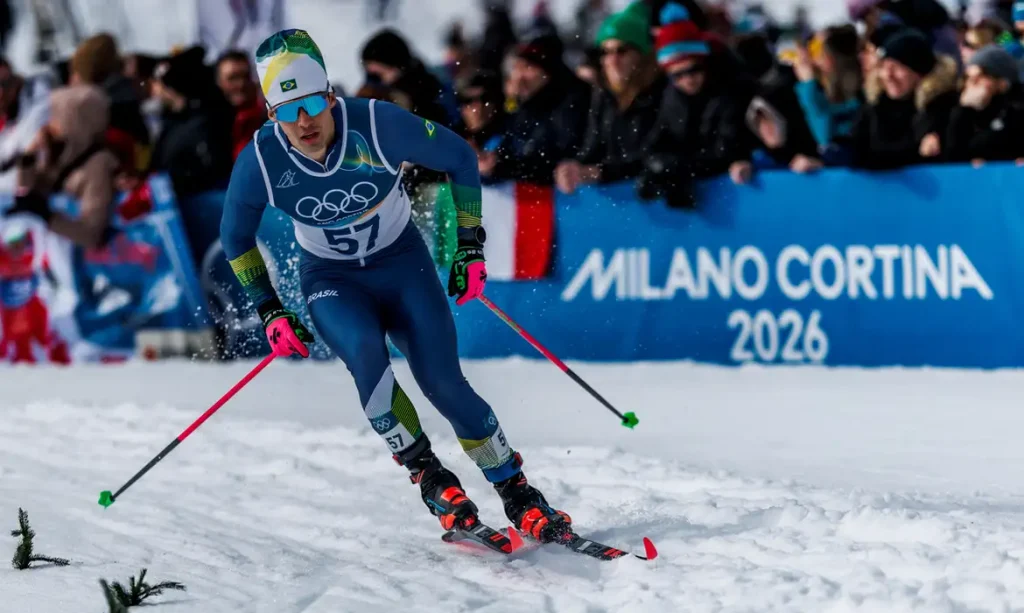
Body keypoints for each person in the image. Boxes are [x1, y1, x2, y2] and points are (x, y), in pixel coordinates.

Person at [220, 29, 572, 543]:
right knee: (366, 353)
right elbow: (234, 238)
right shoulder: (261, 159)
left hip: (403, 265)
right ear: (272, 115)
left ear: (331, 98)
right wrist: (270, 309)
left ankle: (518, 493)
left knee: (444, 383)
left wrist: (470, 246)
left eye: (314, 102)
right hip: (331, 280)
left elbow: (459, 159)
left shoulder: (376, 123)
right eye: (289, 109)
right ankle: (430, 475)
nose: (305, 120)